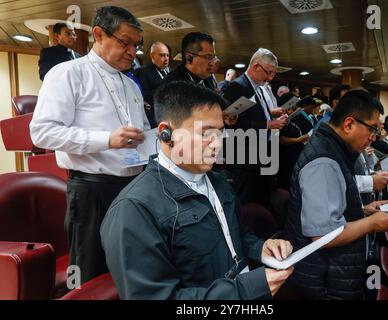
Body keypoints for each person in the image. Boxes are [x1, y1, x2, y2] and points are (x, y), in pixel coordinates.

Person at [100, 81, 293, 299]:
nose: (216, 144)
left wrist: (261, 248)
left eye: (220, 133)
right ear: (166, 133)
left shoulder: (218, 182)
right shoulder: (134, 209)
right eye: (205, 134)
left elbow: (237, 234)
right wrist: (244, 291)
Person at [30, 6, 151, 284]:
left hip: (134, 187)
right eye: (125, 42)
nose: (133, 52)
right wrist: (107, 139)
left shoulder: (132, 84)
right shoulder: (67, 74)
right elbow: (42, 133)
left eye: (136, 45)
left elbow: (141, 132)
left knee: (128, 269)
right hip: (91, 191)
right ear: (98, 34)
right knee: (88, 273)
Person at [284, 90, 388, 300]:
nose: (373, 137)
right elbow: (324, 235)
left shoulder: (334, 149)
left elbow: (331, 206)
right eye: (371, 129)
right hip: (325, 280)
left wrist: (364, 210)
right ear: (349, 124)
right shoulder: (323, 161)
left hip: (334, 273)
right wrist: (372, 224)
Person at [222, 48, 288, 205]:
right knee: (246, 206)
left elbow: (252, 114)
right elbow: (234, 124)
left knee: (261, 202)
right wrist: (268, 125)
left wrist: (272, 113)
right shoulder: (238, 87)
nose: (270, 77)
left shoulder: (257, 87)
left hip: (260, 156)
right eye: (269, 72)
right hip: (245, 158)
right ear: (256, 67)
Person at [135, 41, 171, 127]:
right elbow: (142, 95)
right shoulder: (142, 71)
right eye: (162, 55)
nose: (166, 58)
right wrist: (167, 91)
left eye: (167, 55)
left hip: (169, 118)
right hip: (153, 121)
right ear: (152, 56)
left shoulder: (170, 72)